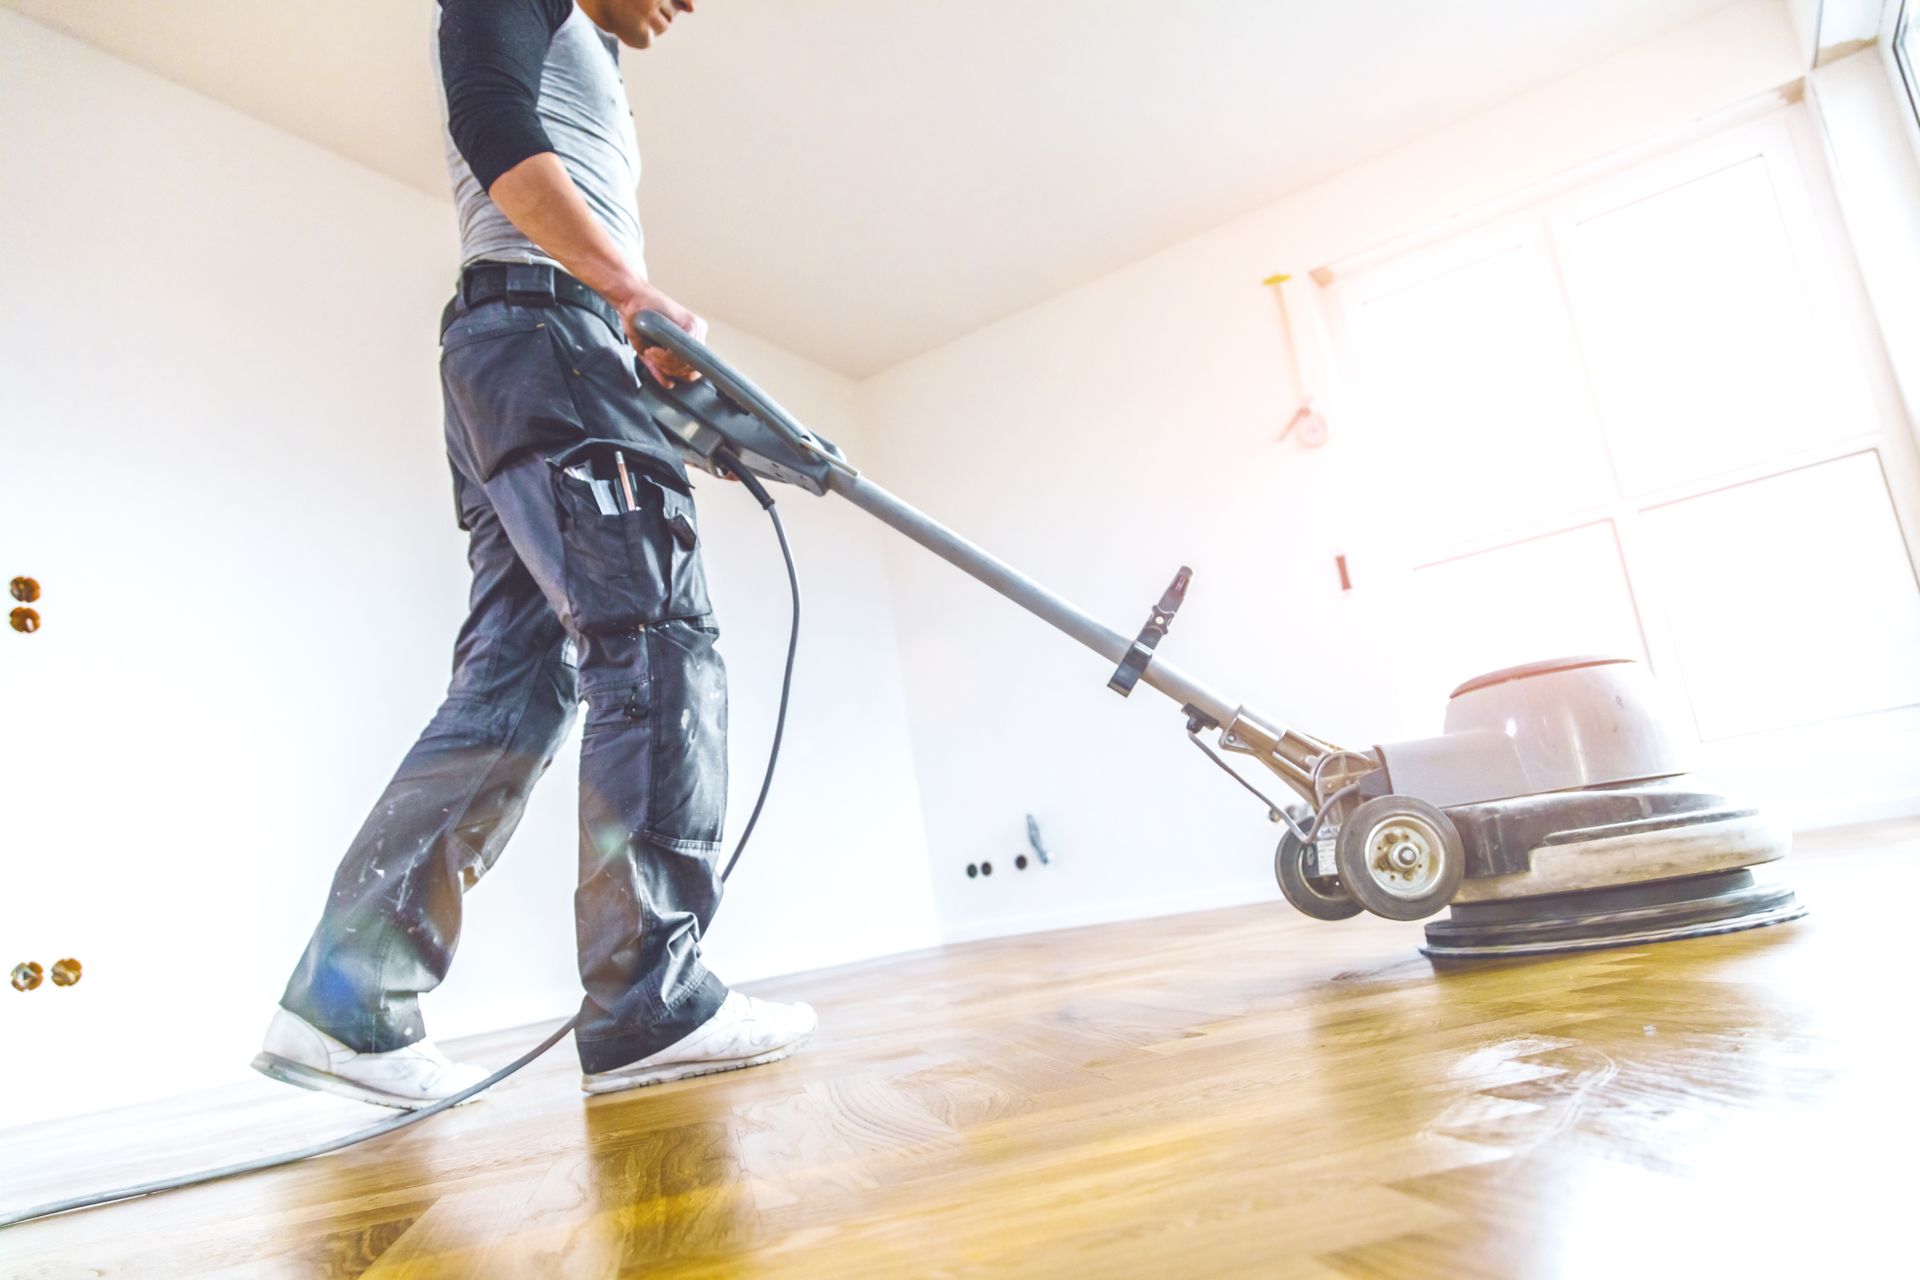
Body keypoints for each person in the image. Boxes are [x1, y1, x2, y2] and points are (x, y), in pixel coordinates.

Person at [255, 0, 815, 1108]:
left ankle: (349, 1006)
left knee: (517, 682)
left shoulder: (589, 51)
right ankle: (650, 1002)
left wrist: (635, 357)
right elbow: (492, 121)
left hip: (531, 346)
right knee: (653, 638)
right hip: (547, 331)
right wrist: (627, 290)